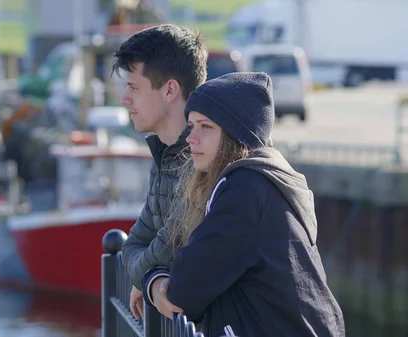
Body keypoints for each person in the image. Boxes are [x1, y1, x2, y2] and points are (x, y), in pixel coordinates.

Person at [141, 72, 346, 336]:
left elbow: (184, 292)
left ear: (236, 136)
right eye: (191, 126)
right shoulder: (262, 181)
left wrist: (154, 281)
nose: (191, 138)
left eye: (206, 127)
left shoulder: (245, 190)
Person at [111, 24, 208, 320]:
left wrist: (148, 280)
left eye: (134, 88)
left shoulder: (201, 162)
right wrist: (153, 278)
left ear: (169, 90)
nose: (125, 100)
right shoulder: (165, 155)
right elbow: (135, 245)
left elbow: (158, 251)